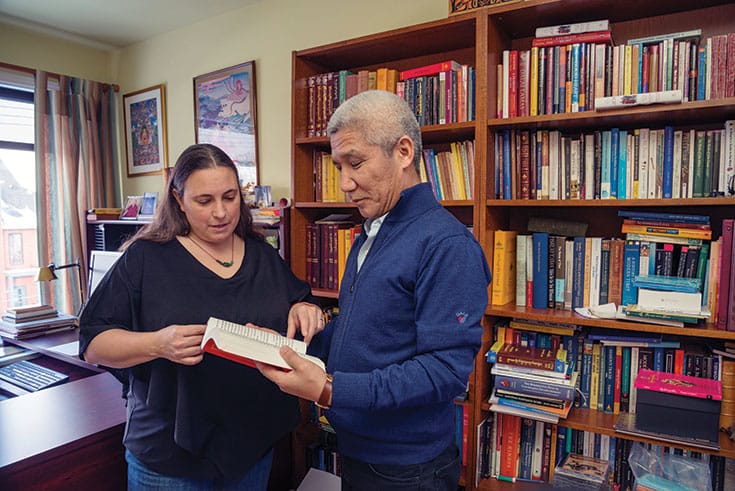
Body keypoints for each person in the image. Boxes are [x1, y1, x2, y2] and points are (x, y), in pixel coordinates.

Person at [258, 90, 492, 490]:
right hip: (359, 449)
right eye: (338, 166)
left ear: (403, 152)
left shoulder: (447, 245)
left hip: (407, 468)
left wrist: (330, 390)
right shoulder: (372, 231)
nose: (345, 183)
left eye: (357, 163)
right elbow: (360, 329)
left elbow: (445, 373)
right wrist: (285, 346)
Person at [79, 143, 324, 490]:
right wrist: (157, 344)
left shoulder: (262, 256)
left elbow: (298, 302)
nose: (221, 213)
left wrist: (306, 308)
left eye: (229, 197)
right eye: (204, 201)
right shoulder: (146, 258)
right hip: (169, 456)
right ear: (178, 200)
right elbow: (93, 342)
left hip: (250, 448)